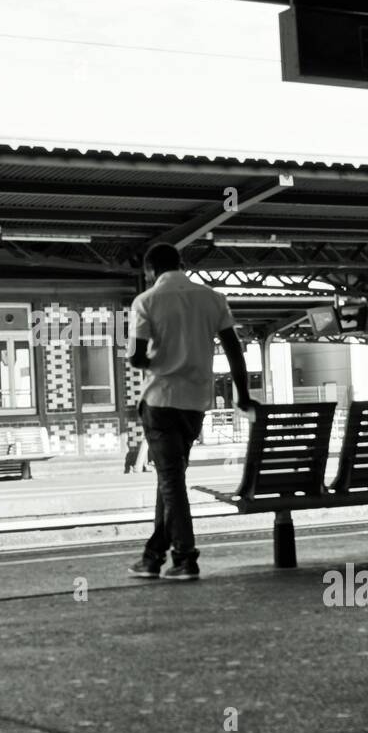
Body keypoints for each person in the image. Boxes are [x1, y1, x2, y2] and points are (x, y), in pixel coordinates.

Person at [126, 243, 252, 580]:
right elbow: (234, 350)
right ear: (181, 264)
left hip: (161, 401)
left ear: (150, 270)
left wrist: (156, 359)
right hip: (195, 405)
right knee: (170, 478)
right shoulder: (213, 298)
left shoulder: (146, 301)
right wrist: (244, 396)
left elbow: (137, 358)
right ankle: (153, 557)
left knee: (171, 481)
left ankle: (185, 558)